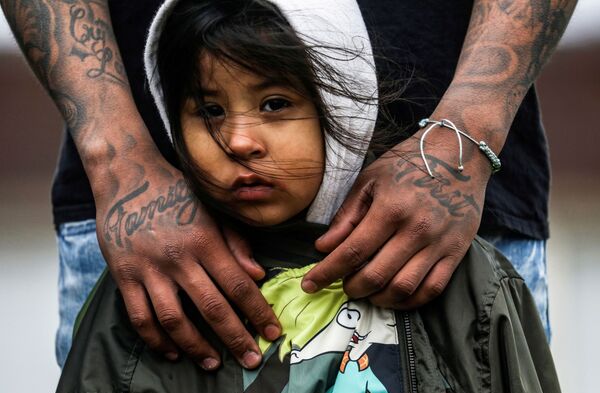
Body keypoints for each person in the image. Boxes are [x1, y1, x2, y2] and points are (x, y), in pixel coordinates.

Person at [0, 0, 575, 368]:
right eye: (211, 110)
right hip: (143, 230)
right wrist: (116, 161)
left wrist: (466, 132)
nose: (242, 141)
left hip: (452, 214)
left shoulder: (483, 286)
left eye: (275, 104)